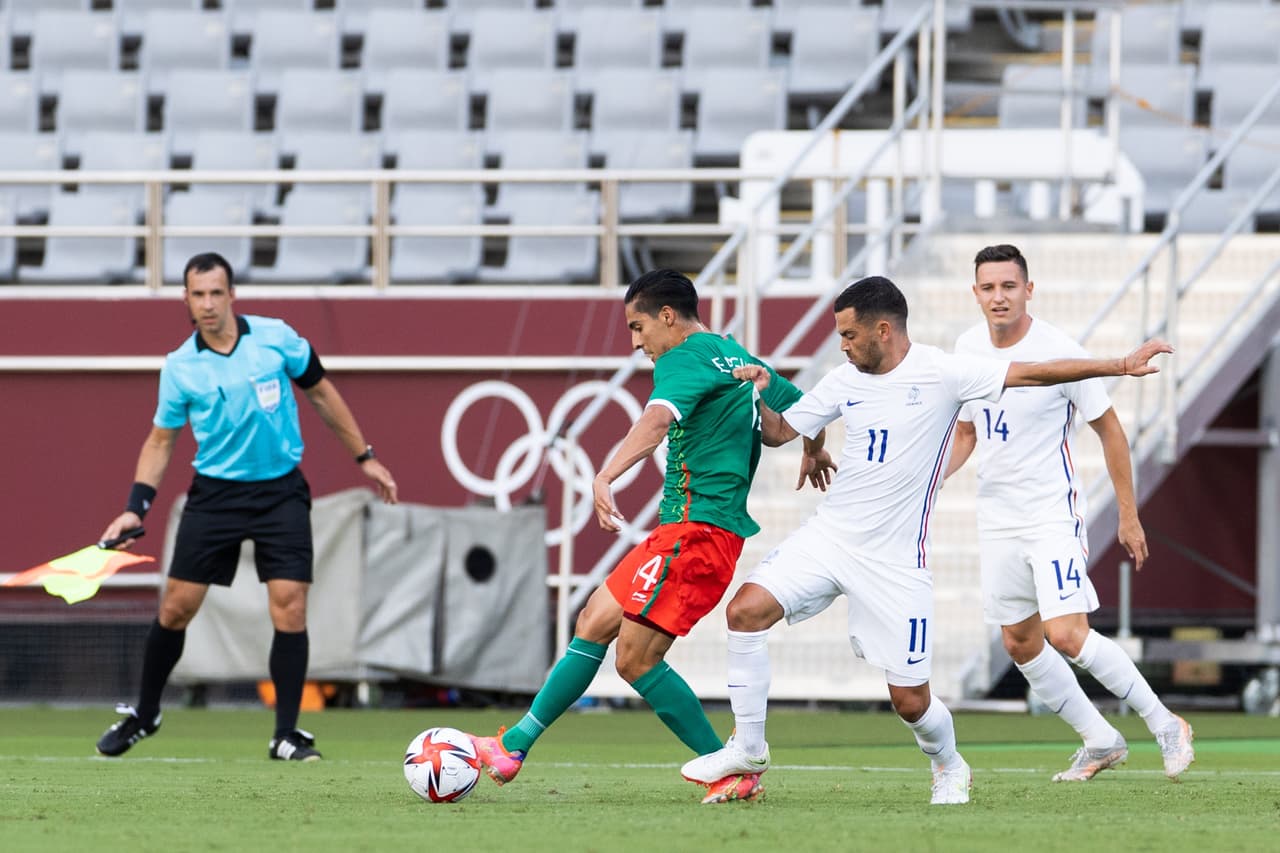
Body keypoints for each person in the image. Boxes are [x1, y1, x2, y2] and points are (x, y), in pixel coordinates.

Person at [680, 275, 1172, 805]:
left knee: (911, 701)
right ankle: (749, 748)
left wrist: (1118, 365)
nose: (842, 345)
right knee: (745, 612)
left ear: (883, 330)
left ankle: (949, 764)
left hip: (895, 564)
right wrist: (763, 387)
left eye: (849, 335)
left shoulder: (943, 372)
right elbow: (780, 431)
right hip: (830, 537)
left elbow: (1034, 373)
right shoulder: (843, 379)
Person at [464, 269, 834, 803]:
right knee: (593, 619)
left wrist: (605, 475)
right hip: (686, 531)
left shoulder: (681, 358)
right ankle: (514, 746)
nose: (636, 343)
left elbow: (657, 421)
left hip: (697, 532)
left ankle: (732, 769)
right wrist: (813, 446)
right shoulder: (734, 354)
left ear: (667, 317)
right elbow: (791, 420)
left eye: (638, 328)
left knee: (635, 659)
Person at [95, 252, 398, 762]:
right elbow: (160, 442)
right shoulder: (180, 367)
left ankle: (286, 734)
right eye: (198, 294)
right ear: (186, 300)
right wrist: (135, 508)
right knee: (176, 607)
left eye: (217, 292)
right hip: (215, 496)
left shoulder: (276, 339)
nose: (208, 304)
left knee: (291, 606)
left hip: (280, 491)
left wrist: (363, 456)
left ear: (232, 295)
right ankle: (145, 714)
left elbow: (322, 393)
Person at [942, 243, 1193, 782]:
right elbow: (966, 431)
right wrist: (932, 477)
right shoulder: (964, 349)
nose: (999, 297)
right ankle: (1100, 739)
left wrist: (1129, 515)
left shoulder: (1060, 350)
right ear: (975, 294)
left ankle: (1166, 723)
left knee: (1066, 633)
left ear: (1028, 290)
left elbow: (1110, 428)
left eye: (1009, 286)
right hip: (996, 516)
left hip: (1050, 514)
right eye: (988, 287)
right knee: (1019, 640)